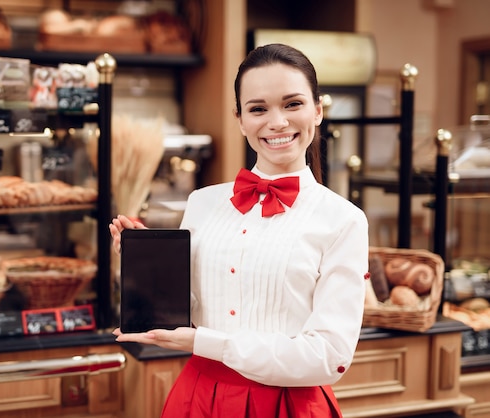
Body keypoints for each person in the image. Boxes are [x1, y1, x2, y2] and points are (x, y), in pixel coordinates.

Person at [109, 43, 369, 418]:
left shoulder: (344, 220)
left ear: (317, 110)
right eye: (258, 108)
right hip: (198, 397)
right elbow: (188, 313)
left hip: (286, 405)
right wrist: (144, 266)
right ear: (240, 119)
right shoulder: (202, 202)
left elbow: (329, 358)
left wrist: (208, 342)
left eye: (292, 104)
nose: (276, 122)